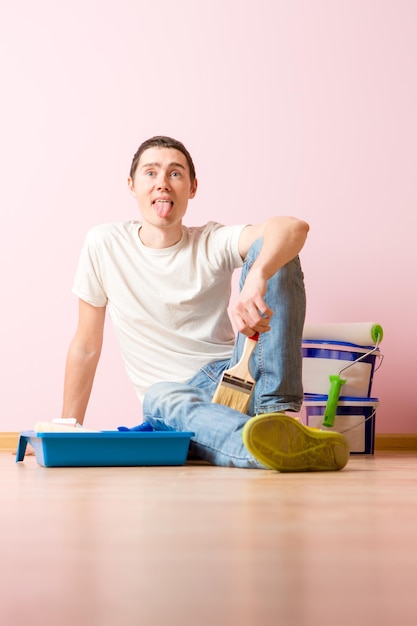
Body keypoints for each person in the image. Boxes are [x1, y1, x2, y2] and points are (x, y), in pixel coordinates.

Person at [62, 135, 349, 472]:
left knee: (274, 249)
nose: (162, 184)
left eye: (175, 174)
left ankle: (277, 419)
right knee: (159, 397)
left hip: (239, 377)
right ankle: (270, 446)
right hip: (176, 403)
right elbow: (85, 345)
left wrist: (258, 273)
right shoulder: (105, 244)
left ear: (192, 187)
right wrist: (66, 431)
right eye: (151, 173)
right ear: (132, 185)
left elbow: (292, 227)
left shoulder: (211, 241)